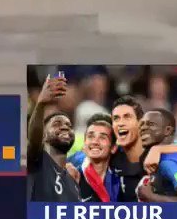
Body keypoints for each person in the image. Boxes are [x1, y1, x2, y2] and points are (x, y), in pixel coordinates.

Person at [27, 74, 82, 202]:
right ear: (43, 136)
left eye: (69, 125)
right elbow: (34, 137)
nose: (65, 127)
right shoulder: (37, 161)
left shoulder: (73, 182)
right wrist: (40, 104)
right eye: (57, 124)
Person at [66, 114, 119, 202]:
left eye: (102, 137)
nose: (95, 142)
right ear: (84, 144)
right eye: (90, 136)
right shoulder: (69, 172)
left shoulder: (122, 177)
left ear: (113, 147)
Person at [136, 109, 177, 202]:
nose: (143, 128)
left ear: (167, 130)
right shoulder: (163, 153)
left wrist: (151, 197)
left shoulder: (168, 163)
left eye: (151, 124)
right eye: (142, 124)